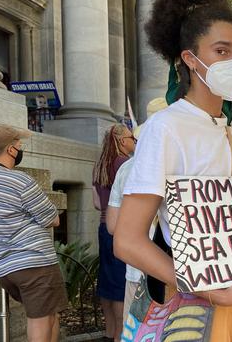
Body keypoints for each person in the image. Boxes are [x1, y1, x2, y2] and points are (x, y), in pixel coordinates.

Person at [113, 0, 232, 342]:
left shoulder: (228, 132)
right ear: (190, 58)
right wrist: (209, 290)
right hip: (194, 306)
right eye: (222, 50)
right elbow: (127, 240)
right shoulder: (166, 128)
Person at [0, 125, 67, 342]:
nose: (20, 149)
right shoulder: (20, 180)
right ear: (10, 150)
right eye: (19, 145)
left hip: (0, 265)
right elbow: (52, 219)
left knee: (49, 314)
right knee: (41, 318)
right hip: (34, 262)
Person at [105, 98, 166, 327]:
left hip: (138, 270)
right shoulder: (187, 166)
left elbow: (113, 226)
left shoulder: (127, 169)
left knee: (138, 332)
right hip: (182, 275)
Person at [92, 123, 135, 341]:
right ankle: (120, 334)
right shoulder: (124, 163)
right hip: (120, 227)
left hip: (103, 227)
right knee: (120, 283)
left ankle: (110, 332)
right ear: (121, 141)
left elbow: (97, 203)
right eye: (131, 137)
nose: (133, 141)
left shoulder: (100, 163)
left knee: (107, 281)